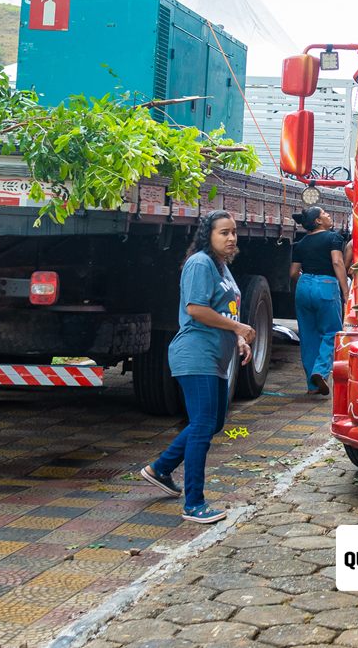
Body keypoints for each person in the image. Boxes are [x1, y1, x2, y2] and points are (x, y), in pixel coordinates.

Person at [139, 210, 255, 524]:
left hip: (216, 356)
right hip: (195, 353)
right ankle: (194, 504)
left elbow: (224, 310)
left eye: (234, 232)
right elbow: (196, 309)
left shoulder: (221, 266)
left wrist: (238, 337)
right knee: (203, 425)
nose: (231, 238)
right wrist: (240, 328)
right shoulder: (200, 263)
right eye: (224, 233)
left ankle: (161, 469)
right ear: (208, 235)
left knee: (213, 422)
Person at [291, 206, 348, 396]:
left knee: (308, 336)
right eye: (324, 213)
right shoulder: (333, 238)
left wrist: (306, 283)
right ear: (318, 221)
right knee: (331, 332)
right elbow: (337, 262)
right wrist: (346, 291)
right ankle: (321, 371)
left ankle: (312, 386)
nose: (328, 215)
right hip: (326, 285)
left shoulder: (300, 243)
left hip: (303, 285)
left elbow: (293, 272)